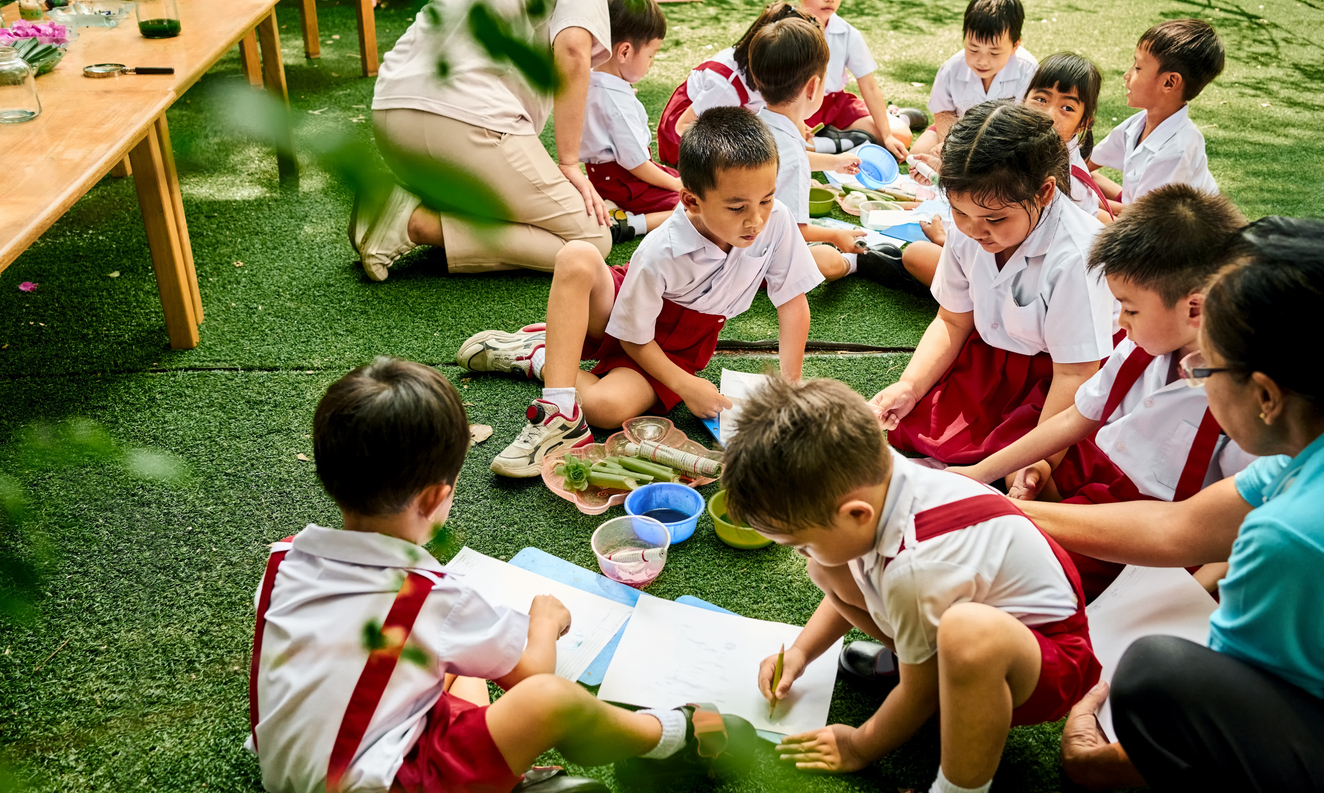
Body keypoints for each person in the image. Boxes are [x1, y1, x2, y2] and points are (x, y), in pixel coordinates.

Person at [247, 357, 757, 793]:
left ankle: (512, 775)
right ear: (435, 498)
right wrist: (544, 619)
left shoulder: (284, 558)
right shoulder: (429, 598)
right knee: (546, 699)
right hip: (387, 780)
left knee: (454, 668)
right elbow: (533, 675)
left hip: (290, 772)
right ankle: (672, 736)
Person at [1019, 217, 1324, 792]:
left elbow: (1230, 696)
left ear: (1265, 395)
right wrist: (1005, 511)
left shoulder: (1286, 536)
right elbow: (1179, 527)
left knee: (1157, 671)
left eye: (1203, 367)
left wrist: (1099, 765)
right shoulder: (1301, 453)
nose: (1194, 377)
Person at [720, 376, 1100, 793]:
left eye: (803, 541)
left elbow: (917, 695)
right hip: (974, 612)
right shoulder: (886, 480)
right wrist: (800, 652)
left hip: (1046, 660)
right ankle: (919, 655)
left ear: (856, 514)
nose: (800, 552)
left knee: (964, 636)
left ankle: (958, 787)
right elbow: (854, 571)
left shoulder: (915, 567)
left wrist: (859, 746)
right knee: (826, 568)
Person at [455, 107, 823, 477]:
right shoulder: (660, 250)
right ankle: (558, 410)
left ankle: (539, 355)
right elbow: (632, 337)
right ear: (691, 200)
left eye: (766, 199)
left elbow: (793, 305)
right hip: (626, 311)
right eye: (737, 206)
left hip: (676, 348)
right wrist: (687, 388)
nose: (755, 219)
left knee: (606, 409)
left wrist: (790, 389)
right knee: (577, 256)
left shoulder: (777, 223)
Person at [946, 185, 1253, 600]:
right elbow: (1078, 416)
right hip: (1097, 482)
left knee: (997, 570)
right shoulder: (1142, 345)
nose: (1120, 322)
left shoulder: (1243, 403)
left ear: (1194, 308)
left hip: (1151, 537)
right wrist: (980, 474)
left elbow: (1235, 527)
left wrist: (1187, 600)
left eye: (1130, 309)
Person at [872, 101, 1115, 466]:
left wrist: (1040, 463)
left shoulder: (1077, 256)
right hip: (991, 361)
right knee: (921, 431)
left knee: (1048, 469)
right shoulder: (969, 228)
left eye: (995, 219)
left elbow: (1076, 372)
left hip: (1063, 378)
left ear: (1045, 192)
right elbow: (952, 320)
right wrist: (910, 386)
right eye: (959, 212)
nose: (973, 230)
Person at [355, 0, 615, 281]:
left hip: (389, 117)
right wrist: (568, 163)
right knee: (591, 239)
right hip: (461, 126)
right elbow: (574, 49)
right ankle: (416, 224)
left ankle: (389, 202)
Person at [902, 52, 1109, 287]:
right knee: (919, 254)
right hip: (997, 253)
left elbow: (1032, 249)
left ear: (1084, 123)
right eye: (1041, 99)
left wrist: (946, 240)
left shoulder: (1071, 183)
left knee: (918, 256)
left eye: (1067, 108)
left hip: (1033, 279)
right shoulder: (1013, 148)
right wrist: (944, 172)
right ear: (1024, 99)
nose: (1049, 114)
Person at [748, 16, 905, 283]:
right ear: (813, 87)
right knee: (827, 259)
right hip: (754, 260)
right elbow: (794, 232)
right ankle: (854, 262)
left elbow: (781, 161)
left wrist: (833, 163)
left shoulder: (757, 124)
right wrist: (835, 236)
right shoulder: (792, 156)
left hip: (730, 241)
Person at [1086, 19, 1224, 216]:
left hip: (1172, 237)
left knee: (1081, 212)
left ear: (1169, 82)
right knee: (1083, 180)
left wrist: (1079, 200)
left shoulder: (1178, 149)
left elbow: (1140, 220)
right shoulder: (1138, 123)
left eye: (1137, 67)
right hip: (1140, 214)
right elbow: (1085, 165)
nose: (1127, 75)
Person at [654, 2, 811, 166]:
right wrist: (735, 146)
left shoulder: (765, 68)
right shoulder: (726, 86)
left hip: (729, 120)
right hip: (689, 134)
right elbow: (684, 127)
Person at [581, 0, 678, 240]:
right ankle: (632, 224)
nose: (651, 63)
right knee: (695, 204)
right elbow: (637, 164)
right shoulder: (616, 102)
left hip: (603, 177)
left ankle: (614, 205)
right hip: (626, 182)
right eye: (650, 55)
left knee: (689, 184)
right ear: (624, 51)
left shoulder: (593, 79)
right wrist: (677, 187)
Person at [908, 0, 1037, 157]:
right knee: (918, 154)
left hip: (1006, 139)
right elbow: (943, 112)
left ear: (1015, 46)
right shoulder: (951, 68)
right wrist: (950, 144)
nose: (982, 61)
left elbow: (1027, 121)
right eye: (973, 49)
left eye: (994, 53)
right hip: (958, 131)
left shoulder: (1027, 69)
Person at [796, 0, 914, 157]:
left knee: (901, 135)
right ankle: (838, 141)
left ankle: (894, 116)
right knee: (788, 145)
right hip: (796, 107)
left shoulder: (847, 32)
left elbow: (870, 87)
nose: (830, 0)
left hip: (834, 105)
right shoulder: (785, 29)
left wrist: (887, 136)